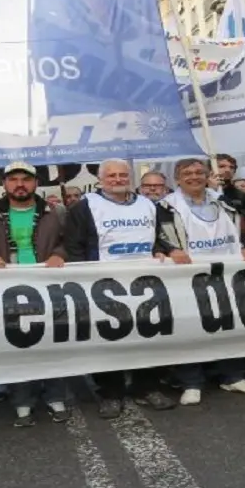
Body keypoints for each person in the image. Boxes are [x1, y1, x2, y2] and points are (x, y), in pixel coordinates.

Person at [65, 159, 182, 416]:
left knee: (148, 335)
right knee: (108, 339)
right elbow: (74, 247)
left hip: (145, 283)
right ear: (101, 180)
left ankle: (146, 387)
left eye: (122, 175)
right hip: (103, 285)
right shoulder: (84, 208)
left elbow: (160, 237)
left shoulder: (148, 205)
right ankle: (110, 392)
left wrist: (164, 250)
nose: (117, 180)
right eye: (111, 176)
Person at [0, 162, 72, 427]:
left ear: (36, 183)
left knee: (51, 342)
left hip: (48, 286)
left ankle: (55, 397)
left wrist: (60, 254)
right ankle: (22, 401)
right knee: (17, 343)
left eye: (25, 179)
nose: (20, 184)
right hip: (7, 288)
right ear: (5, 184)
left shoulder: (55, 211)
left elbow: (70, 241)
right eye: (13, 179)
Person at [157, 158, 245, 405]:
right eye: (187, 173)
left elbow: (237, 232)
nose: (194, 177)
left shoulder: (223, 202)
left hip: (225, 273)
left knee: (229, 323)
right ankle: (191, 381)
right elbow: (157, 237)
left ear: (207, 175)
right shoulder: (165, 206)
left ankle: (233, 375)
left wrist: (244, 248)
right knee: (190, 328)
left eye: (199, 172)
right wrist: (170, 250)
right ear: (177, 178)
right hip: (186, 276)